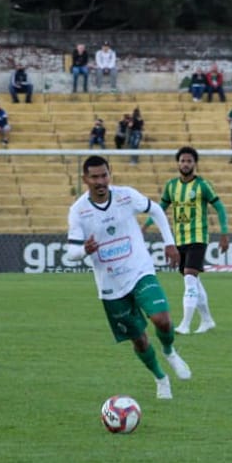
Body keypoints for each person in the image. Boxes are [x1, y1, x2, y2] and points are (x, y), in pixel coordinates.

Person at [66, 155, 192, 400]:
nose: (101, 181)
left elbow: (155, 209)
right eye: (95, 177)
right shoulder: (78, 211)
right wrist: (84, 250)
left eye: (104, 175)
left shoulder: (125, 195)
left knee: (162, 320)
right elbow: (71, 252)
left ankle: (169, 351)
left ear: (109, 174)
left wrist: (170, 243)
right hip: (111, 286)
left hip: (139, 271)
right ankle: (160, 378)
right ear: (85, 179)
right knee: (140, 341)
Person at [143, 146, 229, 335]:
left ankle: (185, 324)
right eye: (182, 161)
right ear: (178, 163)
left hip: (198, 237)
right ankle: (207, 320)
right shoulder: (171, 186)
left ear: (194, 164)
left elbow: (220, 208)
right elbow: (160, 209)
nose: (185, 164)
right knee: (193, 281)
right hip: (179, 239)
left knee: (190, 277)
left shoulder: (202, 185)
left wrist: (224, 233)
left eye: (189, 161)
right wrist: (146, 225)